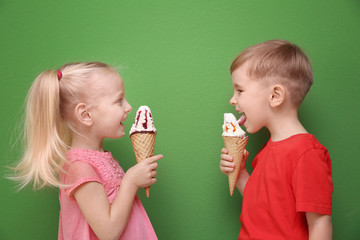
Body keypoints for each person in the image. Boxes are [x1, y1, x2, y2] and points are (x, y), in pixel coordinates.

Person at [12, 62, 163, 240]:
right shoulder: (79, 167)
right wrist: (130, 181)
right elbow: (108, 232)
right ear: (85, 115)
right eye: (118, 101)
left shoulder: (100, 157)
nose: (128, 107)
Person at [220, 40, 333, 240]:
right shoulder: (267, 151)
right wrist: (239, 175)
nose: (232, 99)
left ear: (275, 95)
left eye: (240, 90)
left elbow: (320, 224)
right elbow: (260, 209)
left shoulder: (307, 154)